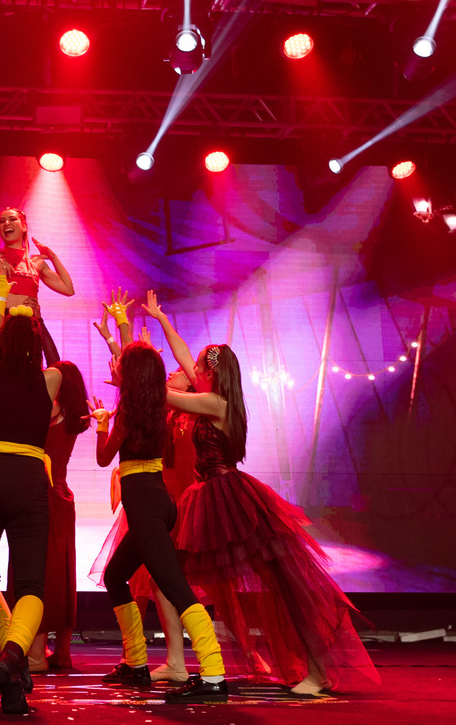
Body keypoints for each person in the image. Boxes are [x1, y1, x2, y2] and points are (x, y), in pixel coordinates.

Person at [142, 290, 379, 695]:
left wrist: (140, 369)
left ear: (211, 373)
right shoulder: (215, 397)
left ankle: (317, 671)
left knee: (285, 587)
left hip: (227, 499)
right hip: (212, 496)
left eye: (197, 366)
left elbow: (164, 395)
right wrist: (162, 321)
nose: (190, 368)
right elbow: (182, 360)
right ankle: (185, 660)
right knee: (172, 576)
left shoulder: (214, 403)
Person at [88, 341, 229, 702]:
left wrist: (101, 424)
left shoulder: (128, 413)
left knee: (175, 587)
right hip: (156, 502)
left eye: (122, 365)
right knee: (115, 575)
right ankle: (136, 663)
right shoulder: (159, 408)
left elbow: (104, 458)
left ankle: (214, 675)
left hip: (146, 507)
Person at [0, 257, 63, 713]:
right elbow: (53, 356)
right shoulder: (51, 378)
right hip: (26, 482)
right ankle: (13, 654)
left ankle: (13, 672)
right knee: (29, 585)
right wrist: (35, 319)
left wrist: (0, 300)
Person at [0, 207, 74, 388]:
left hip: (30, 320)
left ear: (24, 226)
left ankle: (39, 399)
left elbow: (68, 289)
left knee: (54, 363)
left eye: (12, 219)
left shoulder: (35, 263)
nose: (6, 223)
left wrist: (53, 256)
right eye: (2, 221)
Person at [25, 360, 89, 672]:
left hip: (44, 495)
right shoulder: (74, 415)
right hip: (61, 494)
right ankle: (62, 651)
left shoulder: (51, 409)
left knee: (40, 572)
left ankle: (36, 653)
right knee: (62, 574)